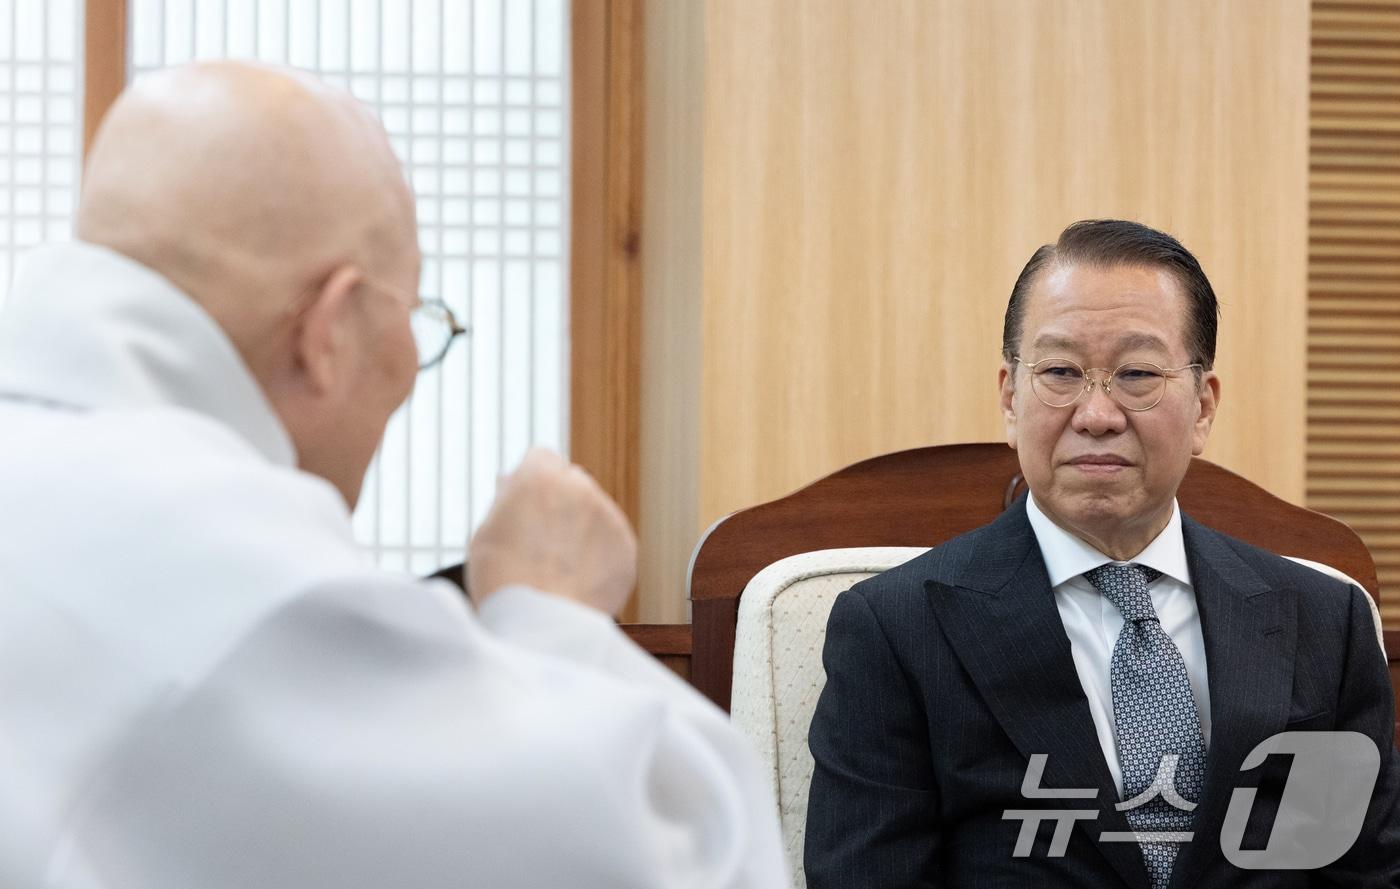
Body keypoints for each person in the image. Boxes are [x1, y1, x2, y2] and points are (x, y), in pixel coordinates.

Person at [0, 61, 787, 888]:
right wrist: (553, 613)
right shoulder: (236, 584)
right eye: (414, 317)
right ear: (329, 329)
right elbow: (685, 861)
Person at [803, 220, 1400, 888]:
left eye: (1138, 373)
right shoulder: (897, 629)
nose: (1096, 413)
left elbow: (1357, 873)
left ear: (1203, 406)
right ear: (1009, 397)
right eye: (1060, 372)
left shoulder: (1325, 621)